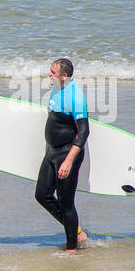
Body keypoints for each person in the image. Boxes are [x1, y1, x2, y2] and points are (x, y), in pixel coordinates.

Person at [36, 59, 90, 254]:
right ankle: (75, 231)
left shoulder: (75, 97)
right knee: (41, 195)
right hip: (51, 152)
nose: (49, 74)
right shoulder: (56, 88)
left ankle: (71, 249)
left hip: (67, 155)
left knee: (66, 203)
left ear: (64, 75)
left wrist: (69, 160)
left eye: (52, 72)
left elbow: (83, 132)